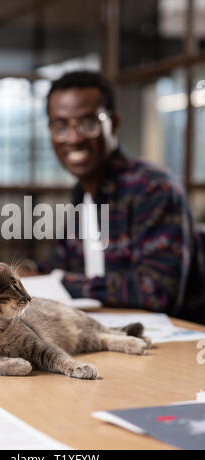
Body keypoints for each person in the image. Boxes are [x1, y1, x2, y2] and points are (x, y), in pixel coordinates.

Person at [22, 70, 205, 324]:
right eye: (60, 126)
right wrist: (22, 273)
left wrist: (58, 281)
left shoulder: (154, 189)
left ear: (115, 123)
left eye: (88, 123)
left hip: (173, 347)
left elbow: (157, 291)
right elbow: (64, 264)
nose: (73, 138)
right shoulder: (82, 194)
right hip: (109, 335)